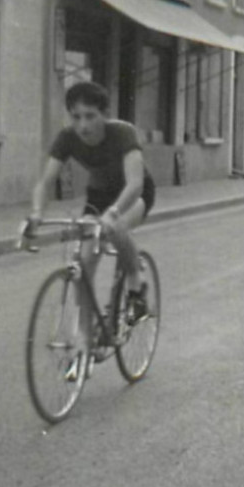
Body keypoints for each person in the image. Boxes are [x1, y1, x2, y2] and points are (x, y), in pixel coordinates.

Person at [29, 82, 156, 337]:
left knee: (115, 227)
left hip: (134, 193)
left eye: (90, 116)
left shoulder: (122, 133)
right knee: (84, 265)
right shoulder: (67, 138)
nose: (83, 126)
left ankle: (135, 287)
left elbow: (135, 183)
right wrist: (36, 213)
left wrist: (114, 211)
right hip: (98, 195)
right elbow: (46, 181)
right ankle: (86, 338)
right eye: (76, 117)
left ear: (104, 115)